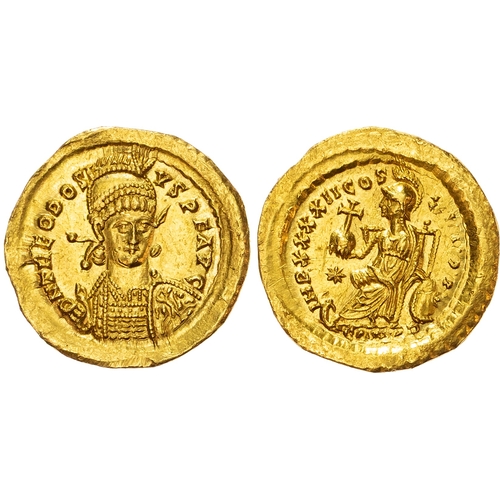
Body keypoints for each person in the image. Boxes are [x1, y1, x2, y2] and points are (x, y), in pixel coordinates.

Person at [69, 145, 203, 344]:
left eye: (144, 226)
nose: (133, 239)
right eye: (123, 227)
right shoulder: (86, 308)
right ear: (99, 229)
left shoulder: (178, 302)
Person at [328, 165, 436, 331]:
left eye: (387, 200)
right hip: (377, 274)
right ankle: (353, 318)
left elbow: (400, 271)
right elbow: (362, 253)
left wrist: (378, 275)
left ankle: (352, 319)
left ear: (400, 205)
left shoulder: (407, 237)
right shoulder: (382, 234)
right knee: (358, 278)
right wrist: (345, 250)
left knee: (379, 290)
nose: (381, 204)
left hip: (389, 281)